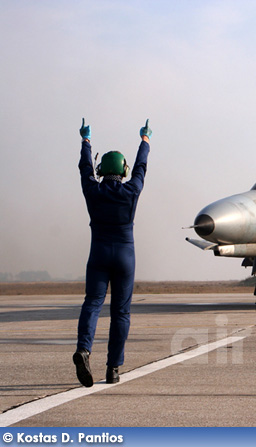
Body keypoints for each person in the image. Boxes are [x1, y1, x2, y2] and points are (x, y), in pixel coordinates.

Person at [73, 118, 151, 387]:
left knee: (92, 303)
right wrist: (145, 140)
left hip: (98, 254)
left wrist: (85, 142)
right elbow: (141, 167)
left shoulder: (92, 191)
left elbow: (85, 168)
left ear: (102, 170)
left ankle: (84, 349)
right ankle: (113, 369)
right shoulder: (131, 191)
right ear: (123, 170)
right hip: (125, 256)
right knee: (121, 313)